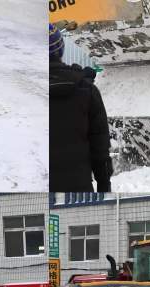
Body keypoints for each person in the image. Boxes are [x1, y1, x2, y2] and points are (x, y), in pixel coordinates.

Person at [49, 24, 113, 192]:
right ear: (61, 49)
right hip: (78, 187)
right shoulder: (86, 91)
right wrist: (104, 186)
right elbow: (100, 147)